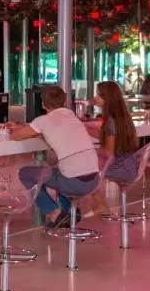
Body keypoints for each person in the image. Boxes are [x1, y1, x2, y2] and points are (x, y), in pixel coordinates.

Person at [7, 85, 99, 228]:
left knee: (26, 173)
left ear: (43, 104)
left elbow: (16, 137)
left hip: (73, 183)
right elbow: (46, 130)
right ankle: (69, 211)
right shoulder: (71, 115)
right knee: (57, 171)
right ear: (65, 102)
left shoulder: (42, 120)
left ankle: (54, 213)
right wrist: (26, 128)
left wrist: (14, 129)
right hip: (94, 180)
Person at [84, 81, 139, 216]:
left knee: (83, 168)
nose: (95, 98)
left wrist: (88, 149)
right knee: (87, 164)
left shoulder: (110, 121)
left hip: (121, 167)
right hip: (130, 164)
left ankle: (100, 205)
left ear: (108, 98)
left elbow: (108, 152)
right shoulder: (120, 117)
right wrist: (84, 127)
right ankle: (100, 205)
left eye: (99, 95)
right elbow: (107, 137)